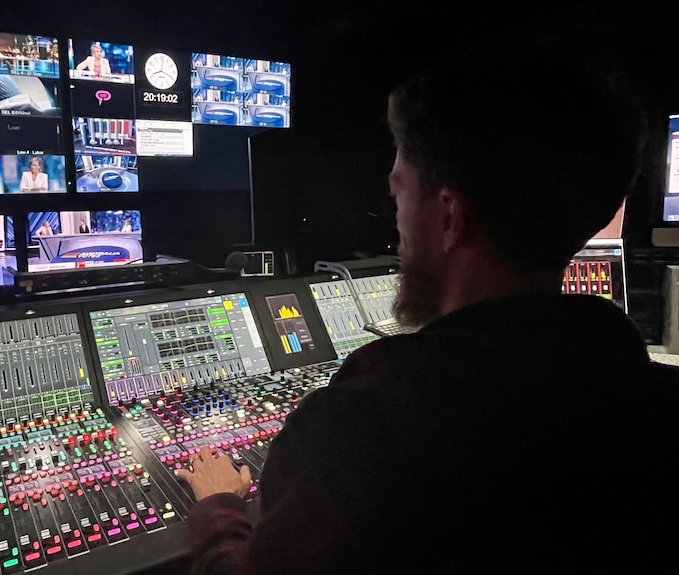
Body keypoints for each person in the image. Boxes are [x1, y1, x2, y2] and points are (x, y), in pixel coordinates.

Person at [174, 44, 679, 574]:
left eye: (400, 197)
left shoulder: (358, 433)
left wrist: (217, 508)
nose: (397, 231)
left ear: (448, 217)